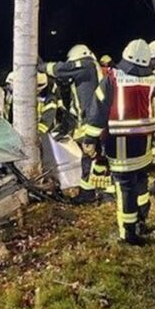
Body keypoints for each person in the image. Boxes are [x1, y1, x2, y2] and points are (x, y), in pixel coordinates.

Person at [84, 39, 155, 245]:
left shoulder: (111, 79)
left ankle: (128, 233)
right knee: (141, 182)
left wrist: (90, 139)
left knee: (125, 187)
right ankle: (142, 220)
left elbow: (97, 111)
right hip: (144, 144)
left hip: (120, 145)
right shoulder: (152, 81)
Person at [38, 44, 103, 200]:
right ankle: (88, 192)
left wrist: (41, 66)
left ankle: (101, 193)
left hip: (92, 121)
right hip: (90, 120)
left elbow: (61, 69)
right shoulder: (88, 72)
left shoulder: (86, 65)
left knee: (95, 158)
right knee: (90, 158)